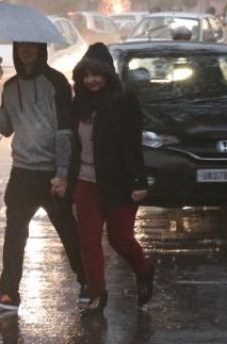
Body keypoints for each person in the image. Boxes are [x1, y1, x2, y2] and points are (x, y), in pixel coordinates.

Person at [0, 42, 88, 311]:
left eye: (32, 46)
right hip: (22, 173)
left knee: (69, 232)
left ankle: (88, 283)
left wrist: (62, 174)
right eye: (22, 46)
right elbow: (6, 130)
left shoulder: (56, 82)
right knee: (14, 234)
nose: (27, 51)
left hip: (52, 173)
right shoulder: (11, 86)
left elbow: (64, 130)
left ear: (40, 49)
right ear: (16, 50)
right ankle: (8, 294)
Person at [66, 43, 154, 314]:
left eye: (97, 74)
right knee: (88, 240)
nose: (92, 80)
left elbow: (132, 144)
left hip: (118, 183)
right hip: (86, 181)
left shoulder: (123, 101)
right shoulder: (78, 103)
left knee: (120, 239)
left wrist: (139, 182)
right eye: (86, 75)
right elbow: (72, 144)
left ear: (108, 74)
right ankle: (98, 294)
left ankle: (144, 269)